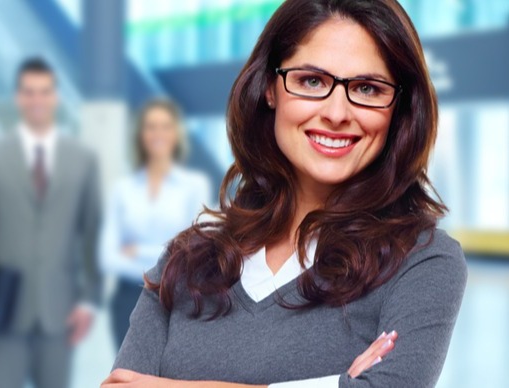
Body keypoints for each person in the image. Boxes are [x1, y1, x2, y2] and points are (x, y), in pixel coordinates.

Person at [103, 0, 467, 387]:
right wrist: (334, 383)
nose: (337, 113)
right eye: (312, 81)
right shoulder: (186, 261)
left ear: (399, 107)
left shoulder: (422, 263)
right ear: (270, 89)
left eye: (367, 88)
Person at [0, 57, 102, 388]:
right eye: (29, 92)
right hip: (4, 309)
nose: (37, 100)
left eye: (44, 92)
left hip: (60, 310)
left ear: (56, 97)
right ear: (17, 98)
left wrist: (89, 299)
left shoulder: (83, 159)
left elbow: (92, 234)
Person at [99, 99, 210, 349]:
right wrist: (164, 253)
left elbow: (191, 250)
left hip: (174, 297)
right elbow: (107, 257)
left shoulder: (194, 186)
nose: (158, 133)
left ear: (176, 134)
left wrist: (137, 250)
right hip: (126, 299)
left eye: (165, 126)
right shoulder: (123, 189)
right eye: (151, 126)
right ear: (141, 135)